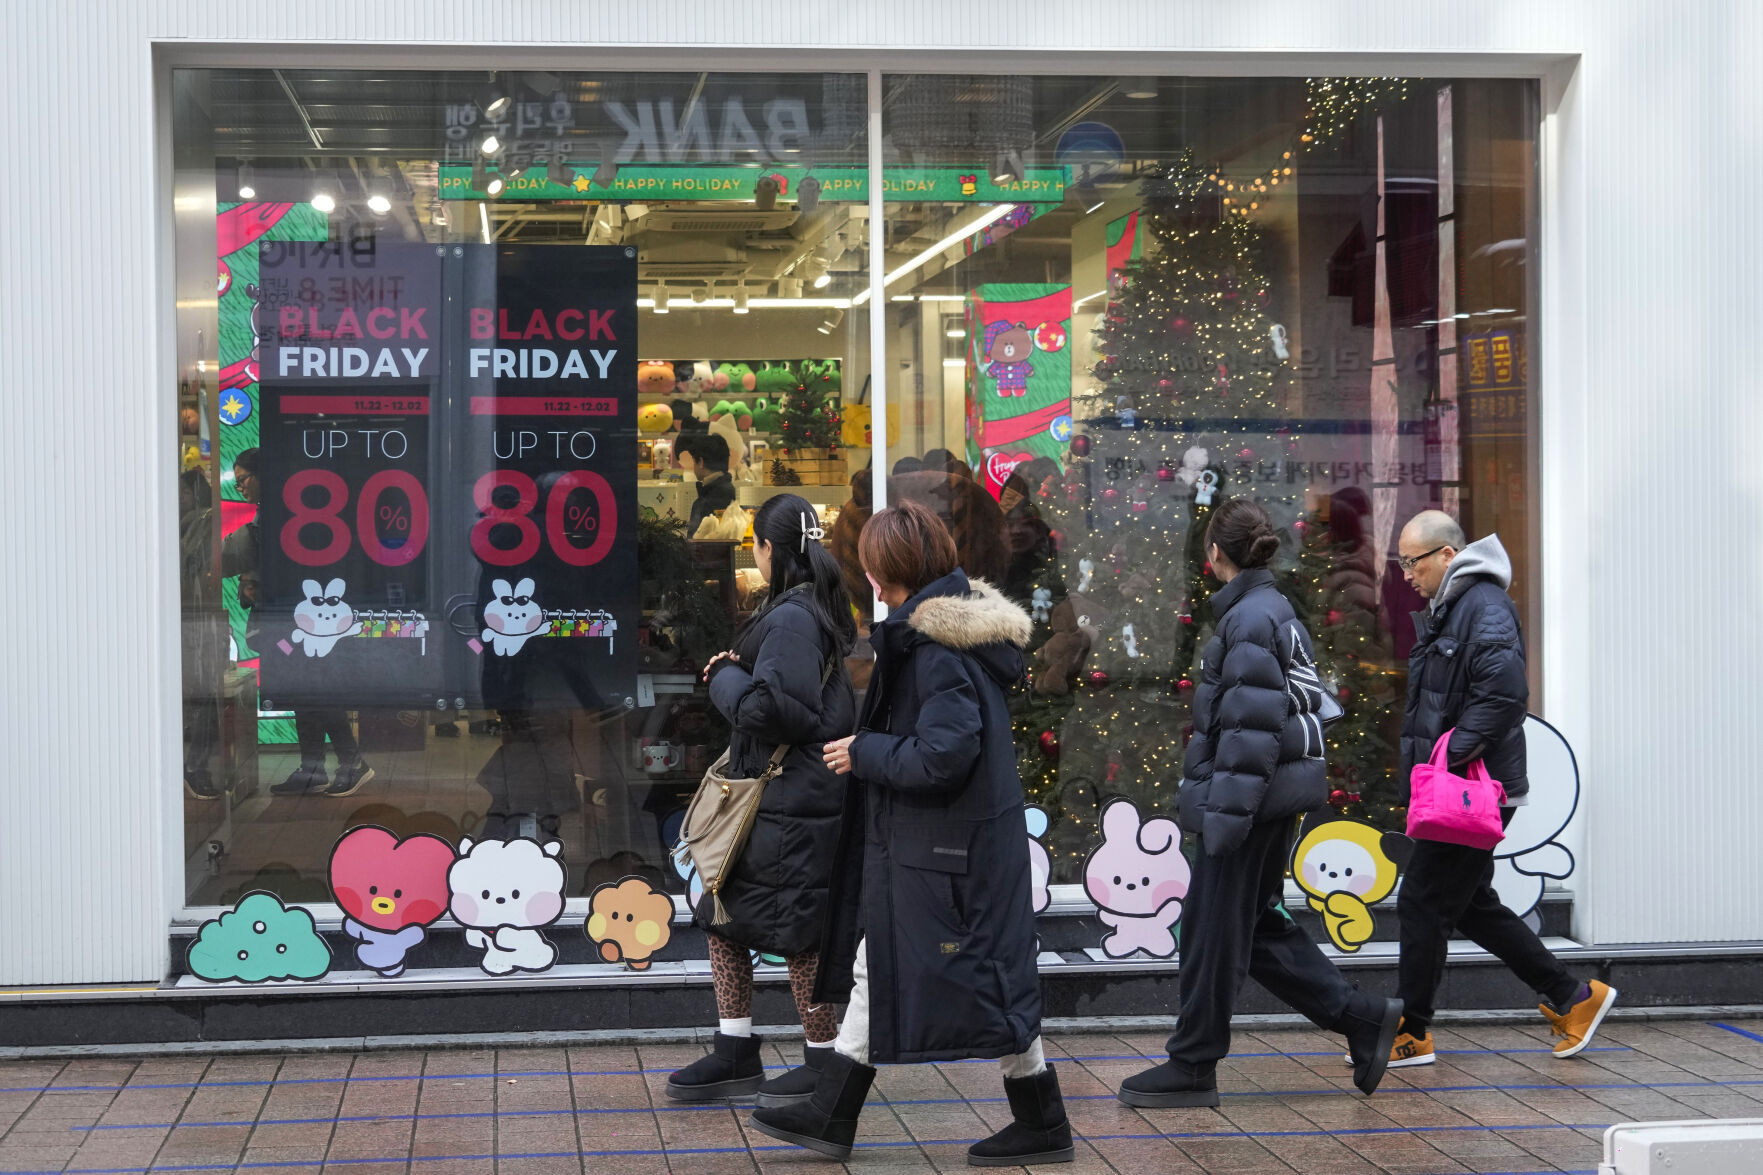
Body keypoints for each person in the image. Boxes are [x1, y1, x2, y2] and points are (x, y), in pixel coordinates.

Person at [750, 499, 1073, 1167]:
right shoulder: (943, 637)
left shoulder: (934, 651)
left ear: (880, 571)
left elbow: (942, 755)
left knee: (901, 969)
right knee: (965, 974)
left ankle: (832, 1113)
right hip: (951, 851)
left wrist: (862, 751)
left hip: (945, 854)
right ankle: (1037, 1119)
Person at [1118, 497, 1402, 1108]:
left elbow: (1251, 732)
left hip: (1245, 806)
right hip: (1262, 802)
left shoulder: (1249, 618)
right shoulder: (1265, 609)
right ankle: (1362, 1018)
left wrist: (1222, 823)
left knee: (1211, 931)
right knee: (1251, 931)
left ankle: (1193, 1064)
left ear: (1214, 553)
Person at [1392, 511, 1616, 1064]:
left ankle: (1411, 1031)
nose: (1406, 576)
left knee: (1421, 899)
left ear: (1447, 555)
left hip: (1473, 790)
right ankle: (1572, 996)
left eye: (1411, 562)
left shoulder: (1483, 607)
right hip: (1466, 787)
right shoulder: (1456, 608)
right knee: (1467, 904)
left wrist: (1450, 756)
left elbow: (1505, 695)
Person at [665, 495, 858, 1105]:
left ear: (768, 549)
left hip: (789, 804)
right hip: (780, 801)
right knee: (725, 920)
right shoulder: (805, 609)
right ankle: (735, 1049)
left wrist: (723, 677)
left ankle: (823, 1062)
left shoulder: (794, 617)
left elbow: (779, 711)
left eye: (756, 544)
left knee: (799, 936)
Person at [222, 448, 374, 798]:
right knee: (303, 690)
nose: (241, 487)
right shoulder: (275, 511)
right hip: (291, 614)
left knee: (314, 689)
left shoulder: (284, 512)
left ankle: (351, 762)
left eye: (244, 479)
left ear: (262, 475)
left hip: (301, 616)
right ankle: (313, 768)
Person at [676, 432, 736, 536]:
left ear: (701, 462)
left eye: (694, 461)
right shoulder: (725, 489)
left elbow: (697, 543)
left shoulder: (710, 499)